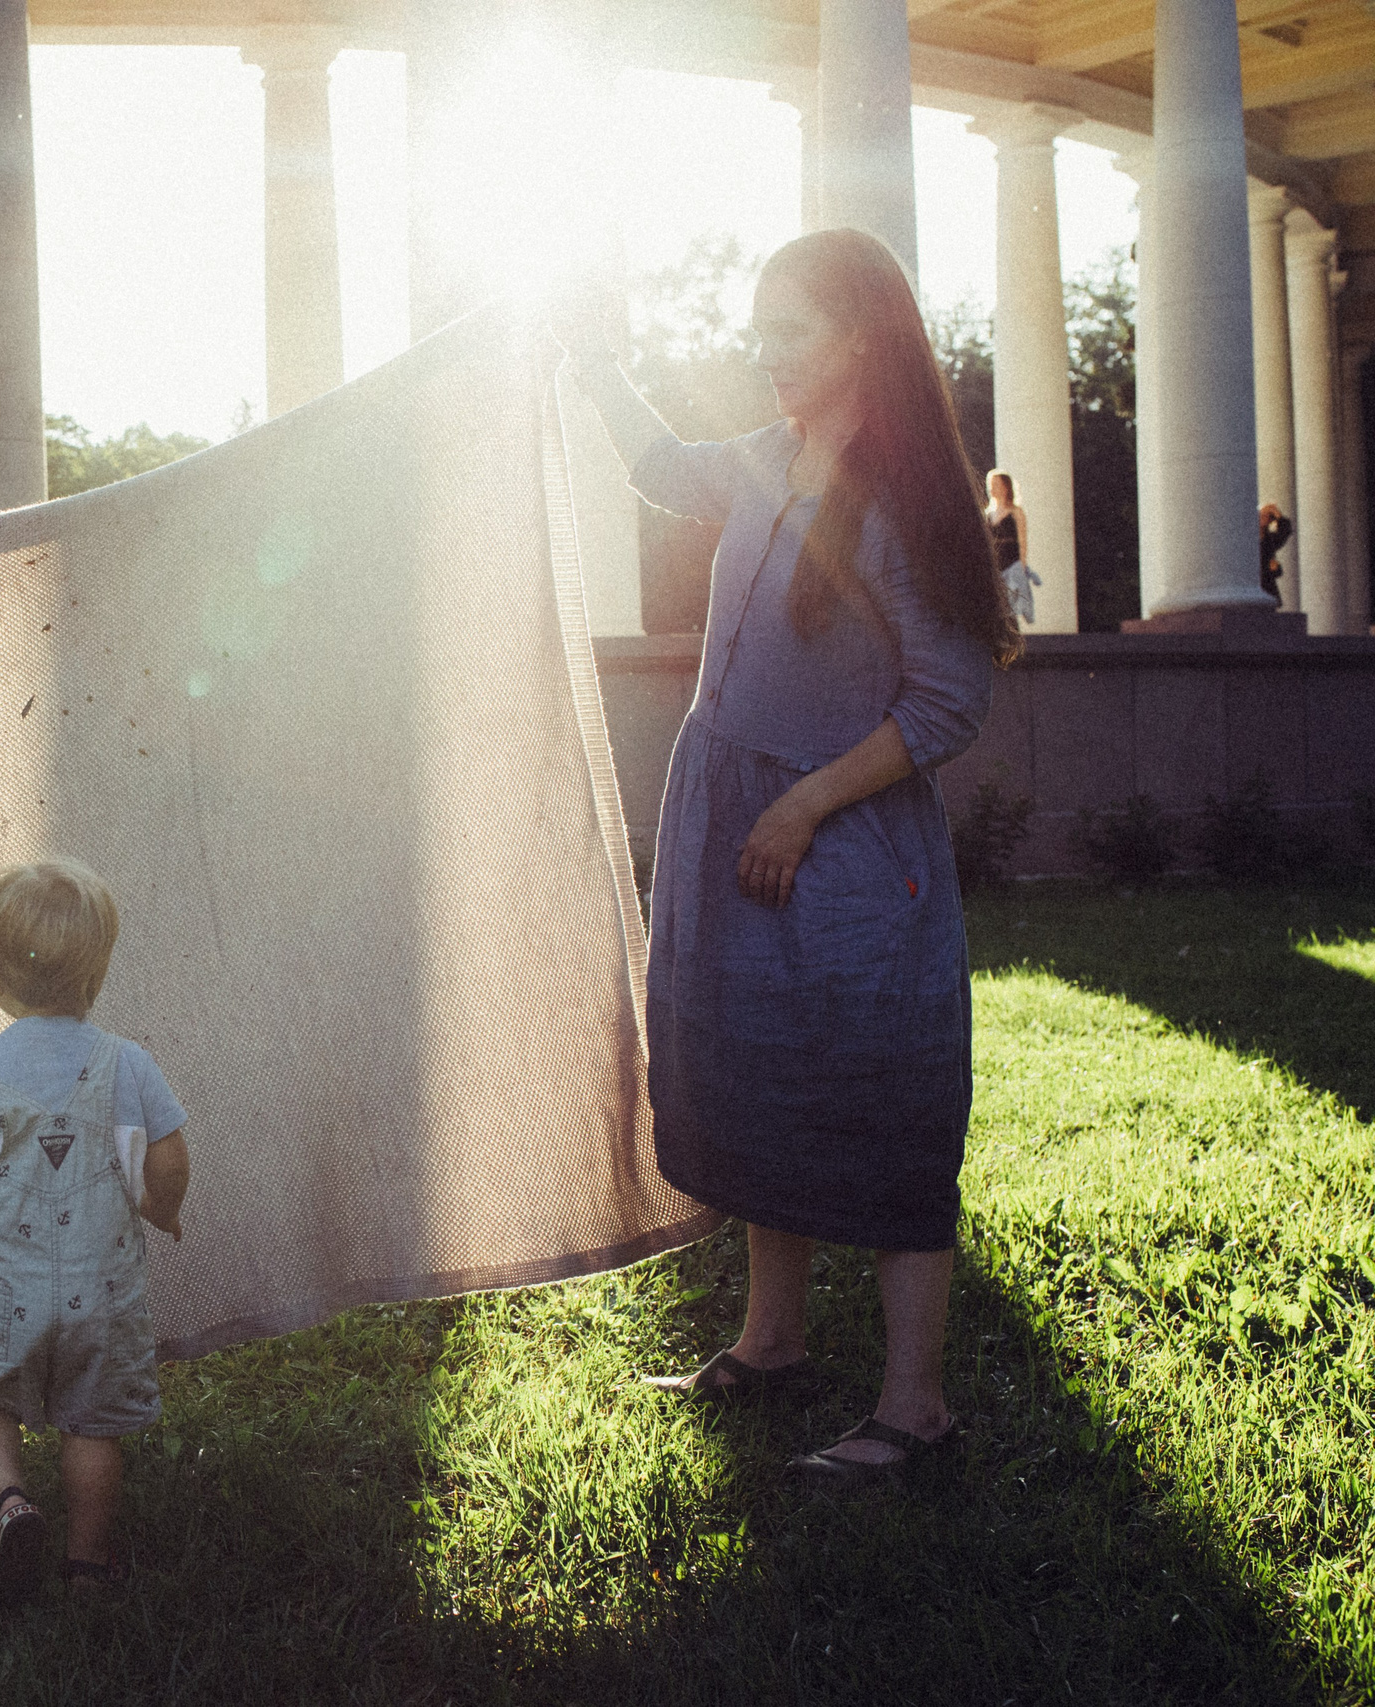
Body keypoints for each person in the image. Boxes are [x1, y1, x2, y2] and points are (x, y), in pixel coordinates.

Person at [558, 228, 1012, 1484]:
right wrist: (590, 354)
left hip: (849, 853)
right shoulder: (761, 459)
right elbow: (656, 464)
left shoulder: (909, 501)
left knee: (884, 1095)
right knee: (760, 1068)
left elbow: (948, 701)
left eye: (789, 332)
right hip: (737, 824)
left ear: (859, 339)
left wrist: (805, 805)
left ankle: (913, 1409)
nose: (765, 355)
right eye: (759, 331)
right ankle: (771, 1344)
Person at [0, 859, 192, 1600]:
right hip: (101, 1287)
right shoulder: (127, 1063)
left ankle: (9, 1504)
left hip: (4, 1282)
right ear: (94, 976)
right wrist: (163, 1210)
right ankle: (88, 1567)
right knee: (92, 1423)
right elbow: (170, 1158)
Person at [982, 468, 1038, 624]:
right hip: (995, 565)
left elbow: (1022, 541)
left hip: (1012, 565)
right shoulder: (987, 513)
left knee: (1011, 608)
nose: (992, 488)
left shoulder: (1016, 512)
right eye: (991, 484)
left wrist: (1022, 566)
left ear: (1006, 487)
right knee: (997, 608)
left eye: (996, 484)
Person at [1259, 502, 1293, 601]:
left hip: (1267, 591)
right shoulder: (1247, 541)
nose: (1264, 518)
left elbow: (1284, 531)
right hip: (1252, 590)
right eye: (1262, 515)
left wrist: (1278, 515)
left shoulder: (1270, 540)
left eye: (1268, 516)